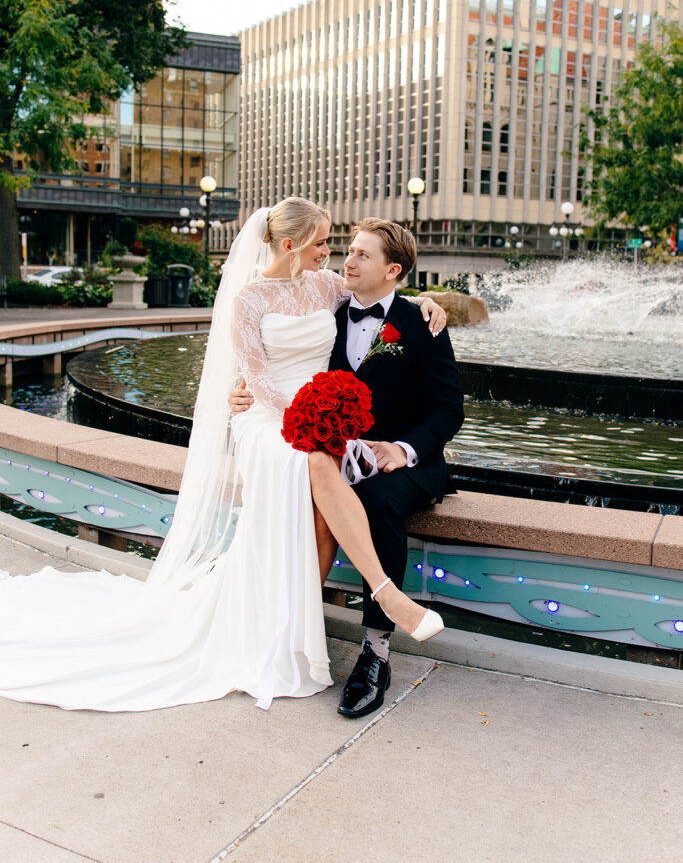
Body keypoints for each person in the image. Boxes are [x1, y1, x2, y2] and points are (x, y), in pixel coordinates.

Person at [0, 198, 447, 713]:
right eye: (324, 243)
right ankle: (387, 593)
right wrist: (308, 420)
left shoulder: (326, 286)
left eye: (338, 246)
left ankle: (292, 625)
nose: (334, 254)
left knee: (322, 504)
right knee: (318, 461)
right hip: (266, 419)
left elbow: (383, 293)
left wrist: (427, 298)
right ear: (290, 245)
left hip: (311, 419)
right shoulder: (249, 299)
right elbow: (256, 379)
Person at [231, 215, 464, 718]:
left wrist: (402, 450)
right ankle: (292, 630)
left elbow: (449, 410)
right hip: (332, 447)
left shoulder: (421, 323)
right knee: (318, 488)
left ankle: (375, 651)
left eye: (362, 254)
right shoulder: (330, 306)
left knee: (379, 501)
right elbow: (277, 359)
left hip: (403, 462)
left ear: (394, 269)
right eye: (347, 249)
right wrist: (245, 391)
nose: (348, 260)